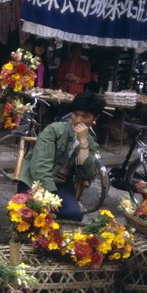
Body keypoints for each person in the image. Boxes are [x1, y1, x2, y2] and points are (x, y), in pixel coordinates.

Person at [18, 90, 105, 221]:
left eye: (85, 116)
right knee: (35, 210)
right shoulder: (54, 130)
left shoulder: (90, 143)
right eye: (75, 114)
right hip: (34, 181)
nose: (78, 120)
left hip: (62, 185)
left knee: (74, 214)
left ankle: (52, 239)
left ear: (95, 118)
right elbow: (41, 167)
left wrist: (83, 143)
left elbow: (88, 174)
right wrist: (50, 195)